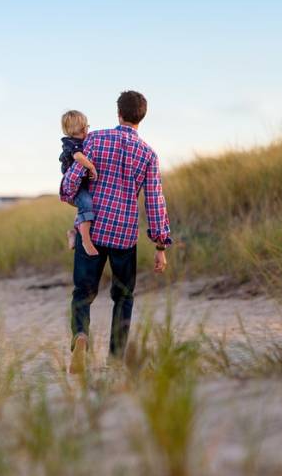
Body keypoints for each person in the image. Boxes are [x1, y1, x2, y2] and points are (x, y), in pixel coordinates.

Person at [60, 90, 172, 374]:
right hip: (124, 235)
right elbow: (155, 201)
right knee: (123, 296)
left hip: (94, 231)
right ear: (141, 117)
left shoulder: (95, 139)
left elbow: (70, 183)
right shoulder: (148, 154)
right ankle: (117, 358)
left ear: (118, 113)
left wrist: (73, 194)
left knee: (82, 294)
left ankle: (81, 337)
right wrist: (160, 246)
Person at [58, 110, 99, 256]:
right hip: (74, 187)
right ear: (82, 128)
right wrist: (91, 167)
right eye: (86, 126)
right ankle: (85, 241)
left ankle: (73, 232)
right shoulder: (72, 143)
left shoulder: (82, 141)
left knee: (85, 207)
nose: (87, 129)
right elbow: (78, 157)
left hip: (82, 184)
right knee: (86, 204)